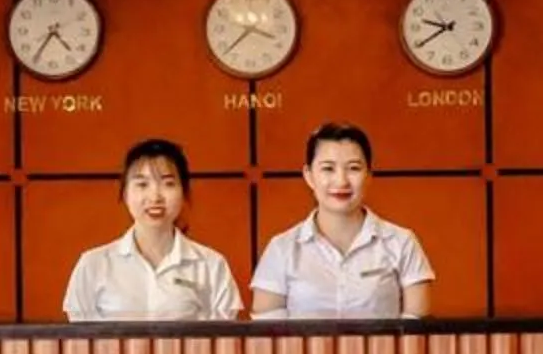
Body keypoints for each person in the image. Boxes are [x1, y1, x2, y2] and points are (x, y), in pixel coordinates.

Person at [252, 122, 435, 319]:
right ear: (309, 176)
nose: (341, 181)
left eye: (353, 168)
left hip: (384, 351)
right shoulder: (282, 249)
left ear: (368, 175)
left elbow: (417, 333)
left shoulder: (402, 242)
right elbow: (267, 339)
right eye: (328, 169)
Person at [62, 138, 243, 322]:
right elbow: (80, 344)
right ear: (125, 193)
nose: (155, 196)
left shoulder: (211, 265)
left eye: (168, 184)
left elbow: (224, 344)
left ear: (184, 192)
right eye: (142, 185)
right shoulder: (93, 264)